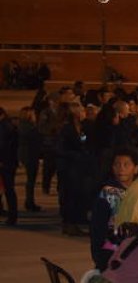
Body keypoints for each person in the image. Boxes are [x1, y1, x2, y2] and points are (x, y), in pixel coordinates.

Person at [89, 147, 138, 269]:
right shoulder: (108, 192)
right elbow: (97, 226)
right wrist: (99, 255)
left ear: (136, 168)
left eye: (126, 164)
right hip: (111, 249)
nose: (121, 168)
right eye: (117, 164)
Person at [56, 100, 95, 236]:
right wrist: (76, 154)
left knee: (75, 195)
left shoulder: (81, 127)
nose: (85, 113)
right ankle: (69, 224)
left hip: (78, 167)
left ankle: (72, 222)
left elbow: (82, 141)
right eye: (82, 111)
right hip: (68, 167)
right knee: (69, 195)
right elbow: (60, 149)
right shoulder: (66, 128)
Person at [16, 106, 41, 212]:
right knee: (31, 180)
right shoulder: (31, 127)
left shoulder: (20, 126)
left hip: (24, 154)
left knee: (30, 180)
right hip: (30, 155)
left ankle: (29, 201)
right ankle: (29, 201)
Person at [0, 107, 19, 225]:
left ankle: (12, 216)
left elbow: (3, 146)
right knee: (8, 189)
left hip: (5, 163)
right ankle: (12, 215)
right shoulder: (8, 125)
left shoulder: (3, 127)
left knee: (8, 189)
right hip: (9, 162)